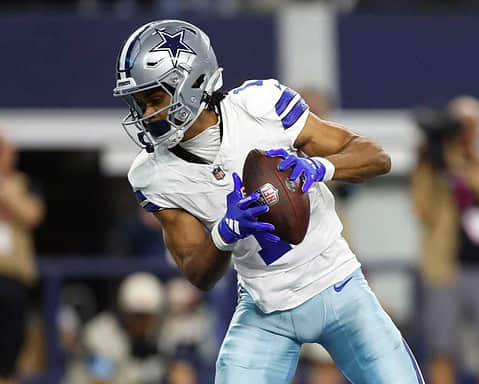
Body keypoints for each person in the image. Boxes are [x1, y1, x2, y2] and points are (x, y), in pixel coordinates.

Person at [112, 20, 424, 383]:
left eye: (154, 98)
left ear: (193, 84)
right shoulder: (154, 174)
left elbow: (376, 157)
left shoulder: (260, 105)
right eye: (139, 102)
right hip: (265, 308)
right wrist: (224, 235)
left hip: (340, 287)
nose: (145, 114)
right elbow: (198, 273)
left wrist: (318, 167)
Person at [411, 97, 479, 384]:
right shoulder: (433, 161)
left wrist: (461, 161)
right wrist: (432, 162)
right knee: (442, 349)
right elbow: (422, 209)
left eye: (467, 124)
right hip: (444, 269)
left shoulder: (470, 159)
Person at [65, 272, 167, 384]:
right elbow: (99, 381)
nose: (141, 322)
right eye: (136, 315)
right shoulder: (99, 335)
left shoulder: (160, 335)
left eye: (146, 316)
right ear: (124, 311)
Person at [0, 133, 45, 384]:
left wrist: (5, 192)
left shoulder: (23, 183)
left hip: (13, 277)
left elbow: (33, 215)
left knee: (10, 347)